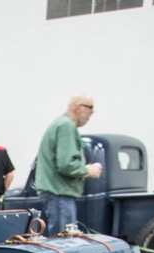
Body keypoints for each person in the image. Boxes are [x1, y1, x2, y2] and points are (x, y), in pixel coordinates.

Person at [35, 93, 103, 235]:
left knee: (62, 240)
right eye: (90, 107)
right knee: (64, 243)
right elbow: (66, 164)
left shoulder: (61, 124)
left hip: (57, 194)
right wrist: (86, 170)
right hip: (59, 195)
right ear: (77, 107)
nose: (92, 112)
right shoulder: (66, 126)